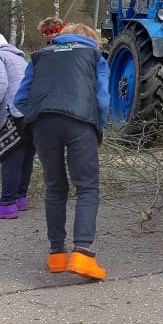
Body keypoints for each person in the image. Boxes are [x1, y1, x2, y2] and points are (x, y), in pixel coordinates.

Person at [13, 23, 110, 281]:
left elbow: (19, 99)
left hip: (43, 124)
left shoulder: (40, 56)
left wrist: (37, 117)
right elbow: (102, 98)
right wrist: (98, 129)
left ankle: (56, 255)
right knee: (87, 187)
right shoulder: (95, 57)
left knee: (55, 187)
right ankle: (82, 253)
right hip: (80, 122)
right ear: (92, 40)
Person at [0, 33, 32, 219]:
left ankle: (7, 204)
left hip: (13, 113)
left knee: (11, 156)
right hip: (31, 113)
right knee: (26, 157)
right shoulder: (19, 58)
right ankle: (20, 198)